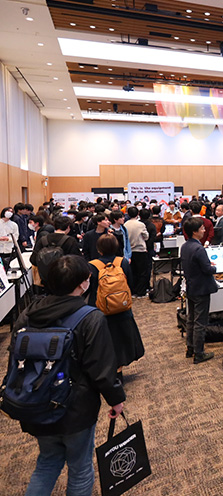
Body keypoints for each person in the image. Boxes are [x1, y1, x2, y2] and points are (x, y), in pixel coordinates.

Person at [12, 255, 125, 496]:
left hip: (35, 401)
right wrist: (116, 399)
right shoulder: (90, 317)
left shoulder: (28, 315)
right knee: (80, 468)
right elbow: (101, 369)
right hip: (75, 408)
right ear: (83, 283)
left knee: (47, 461)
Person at [88, 234, 145, 381]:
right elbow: (130, 283)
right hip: (122, 308)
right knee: (122, 340)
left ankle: (109, 372)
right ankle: (119, 370)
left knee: (105, 342)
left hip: (101, 310)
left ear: (99, 249)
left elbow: (91, 288)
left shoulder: (92, 265)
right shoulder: (122, 262)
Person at [180, 217, 218, 364]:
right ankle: (199, 353)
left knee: (191, 320)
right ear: (195, 231)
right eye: (202, 228)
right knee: (200, 322)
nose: (204, 230)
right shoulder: (199, 248)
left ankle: (190, 348)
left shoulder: (185, 246)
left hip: (191, 287)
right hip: (201, 288)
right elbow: (207, 269)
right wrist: (214, 267)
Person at [123, 207, 150, 298]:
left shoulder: (125, 224)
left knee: (132, 272)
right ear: (137, 214)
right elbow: (146, 236)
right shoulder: (140, 224)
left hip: (129, 251)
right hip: (140, 250)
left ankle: (133, 291)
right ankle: (141, 292)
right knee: (142, 272)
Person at [0, 206, 21, 271]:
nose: (10, 213)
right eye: (8, 211)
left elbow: (16, 236)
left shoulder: (14, 224)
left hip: (9, 249)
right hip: (0, 248)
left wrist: (8, 239)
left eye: (11, 212)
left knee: (9, 267)